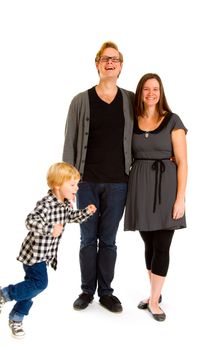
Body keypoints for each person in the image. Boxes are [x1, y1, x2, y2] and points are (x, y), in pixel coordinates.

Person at [62, 41, 134, 313]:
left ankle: (106, 292)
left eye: (114, 59)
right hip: (87, 183)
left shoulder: (129, 99)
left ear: (121, 65)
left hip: (118, 183)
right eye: (105, 59)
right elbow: (69, 143)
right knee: (87, 239)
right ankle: (86, 291)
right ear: (97, 64)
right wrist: (67, 186)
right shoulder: (81, 100)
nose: (109, 63)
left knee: (109, 240)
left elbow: (150, 123)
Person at [0, 162, 96, 338]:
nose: (77, 188)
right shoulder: (46, 204)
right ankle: (4, 294)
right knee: (40, 284)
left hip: (45, 256)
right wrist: (50, 229)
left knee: (31, 288)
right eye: (72, 184)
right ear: (57, 185)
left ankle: (16, 318)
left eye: (77, 184)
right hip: (33, 254)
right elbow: (30, 221)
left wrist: (86, 212)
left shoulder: (65, 204)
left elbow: (71, 217)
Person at [124, 73, 188, 321]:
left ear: (161, 93)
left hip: (166, 189)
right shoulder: (132, 120)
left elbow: (182, 162)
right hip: (139, 187)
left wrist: (180, 198)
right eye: (146, 89)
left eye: (156, 89)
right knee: (148, 244)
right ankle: (154, 293)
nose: (151, 93)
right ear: (140, 93)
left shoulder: (173, 120)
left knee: (162, 245)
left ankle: (153, 301)